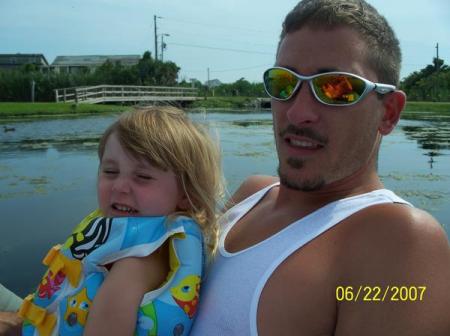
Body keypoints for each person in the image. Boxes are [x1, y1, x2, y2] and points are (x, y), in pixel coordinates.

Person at [191, 0, 450, 335]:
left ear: (388, 113)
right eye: (284, 83)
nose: (297, 113)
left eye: (336, 88)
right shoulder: (250, 195)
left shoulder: (399, 240)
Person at [17, 106, 223, 335]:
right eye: (110, 172)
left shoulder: (135, 265)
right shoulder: (147, 237)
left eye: (143, 177)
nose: (119, 187)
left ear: (187, 195)